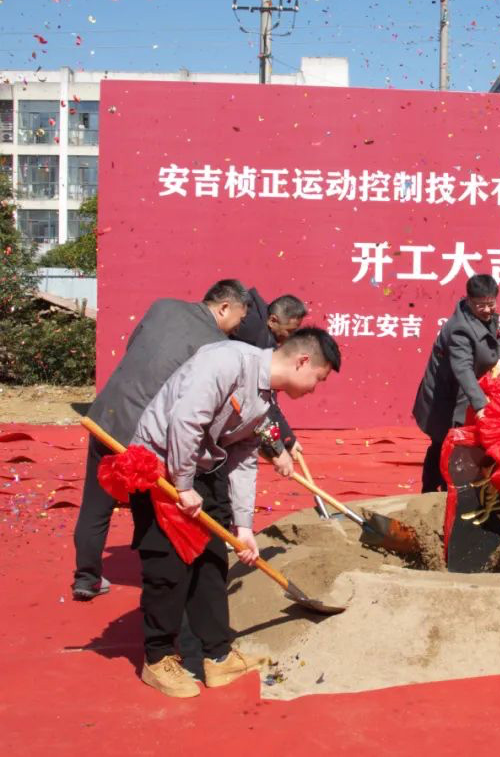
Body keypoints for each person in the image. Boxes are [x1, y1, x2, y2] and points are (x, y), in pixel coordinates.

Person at [129, 327, 340, 698]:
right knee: (169, 567)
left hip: (203, 469)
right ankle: (159, 657)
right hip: (159, 466)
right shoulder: (226, 361)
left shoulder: (264, 402)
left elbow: (243, 461)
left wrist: (243, 526)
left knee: (211, 562)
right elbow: (185, 422)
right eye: (318, 380)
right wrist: (181, 485)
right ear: (302, 361)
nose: (315, 389)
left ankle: (218, 655)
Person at [71, 279, 250, 601]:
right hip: (145, 438)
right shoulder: (214, 346)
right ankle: (162, 580)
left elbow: (135, 349)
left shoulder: (163, 305)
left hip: (106, 417)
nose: (237, 328)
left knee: (95, 506)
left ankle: (86, 578)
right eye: (239, 318)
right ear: (224, 307)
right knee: (152, 512)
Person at [413, 274, 500, 492]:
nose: (486, 310)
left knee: (455, 443)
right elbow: (462, 369)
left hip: (466, 393)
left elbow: (499, 336)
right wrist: (481, 405)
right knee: (442, 442)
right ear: (468, 300)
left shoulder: (488, 316)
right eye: (480, 305)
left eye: (490, 304)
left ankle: (451, 488)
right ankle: (431, 492)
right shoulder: (459, 329)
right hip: (444, 396)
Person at [232, 291, 308, 455]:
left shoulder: (255, 318)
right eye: (290, 331)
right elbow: (263, 400)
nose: (291, 338)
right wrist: (284, 442)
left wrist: (287, 438)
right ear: (273, 321)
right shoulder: (254, 336)